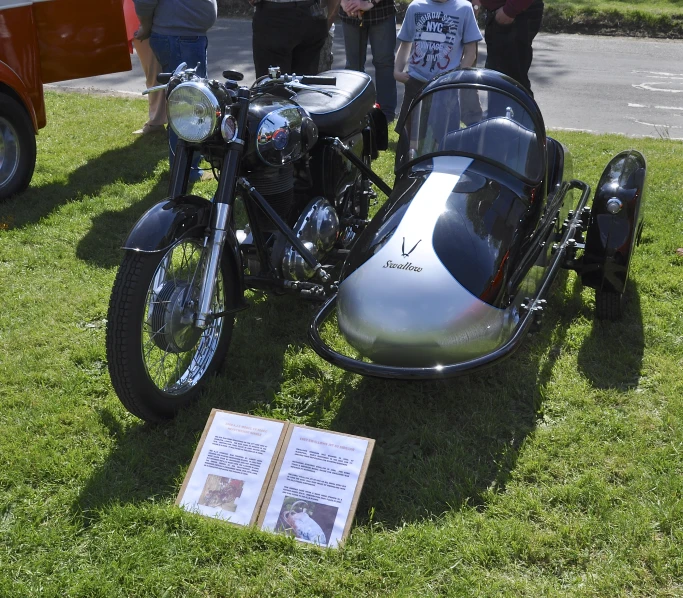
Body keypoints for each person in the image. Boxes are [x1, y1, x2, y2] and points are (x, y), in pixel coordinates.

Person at [133, 0, 217, 181]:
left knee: (194, 103)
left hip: (186, 37)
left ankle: (189, 163)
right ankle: (186, 171)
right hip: (179, 39)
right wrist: (145, 25)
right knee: (186, 109)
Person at [393, 0, 481, 131]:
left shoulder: (464, 8)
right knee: (410, 136)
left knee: (446, 137)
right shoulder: (416, 7)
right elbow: (406, 43)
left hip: (446, 86)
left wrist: (457, 79)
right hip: (416, 83)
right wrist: (397, 72)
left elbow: (471, 52)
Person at [338, 0, 397, 123]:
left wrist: (369, 2)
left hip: (382, 11)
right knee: (353, 68)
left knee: (384, 64)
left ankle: (385, 119)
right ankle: (354, 117)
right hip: (350, 10)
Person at [251, 0, 339, 78]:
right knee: (305, 85)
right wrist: (328, 21)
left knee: (273, 88)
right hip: (311, 13)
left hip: (274, 15)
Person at [473, 0, 544, 96]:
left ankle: (518, 110)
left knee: (510, 83)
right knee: (496, 80)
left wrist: (510, 9)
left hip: (514, 13)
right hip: (504, 12)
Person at [122, 0, 167, 135]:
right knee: (155, 73)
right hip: (141, 20)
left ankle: (156, 122)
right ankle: (159, 121)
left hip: (146, 22)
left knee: (155, 74)